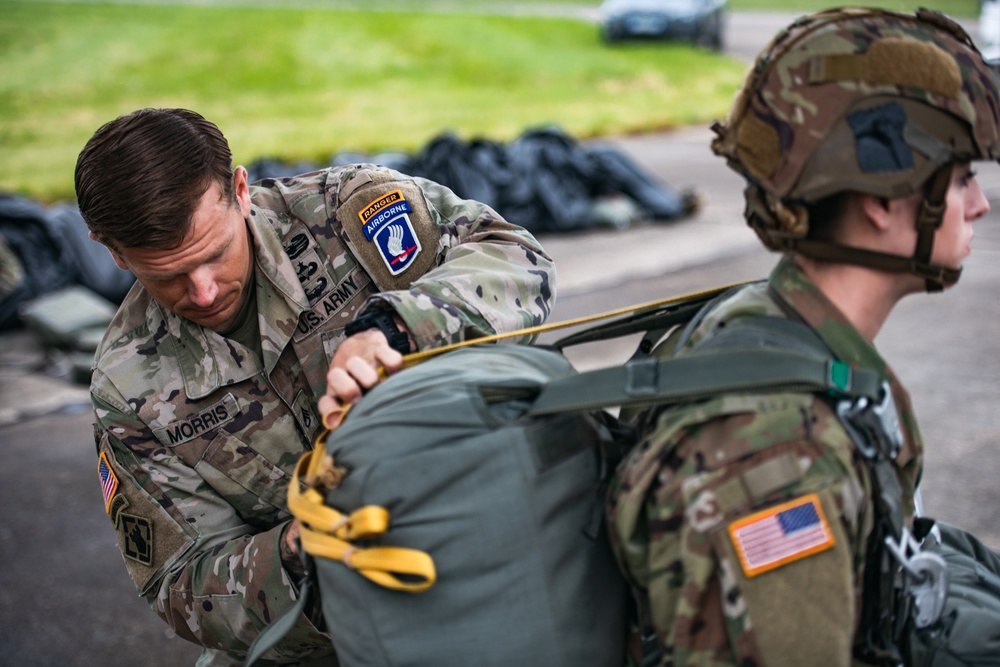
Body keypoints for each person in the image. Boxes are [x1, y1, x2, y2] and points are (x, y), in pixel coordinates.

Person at [75, 107, 556, 666]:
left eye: (213, 255)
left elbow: (517, 261)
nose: (202, 292)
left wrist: (400, 328)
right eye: (166, 276)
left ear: (240, 190)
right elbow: (181, 581)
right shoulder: (127, 385)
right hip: (329, 624)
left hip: (495, 520)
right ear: (111, 252)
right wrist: (301, 555)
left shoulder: (348, 216)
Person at [606, 7, 1000, 667]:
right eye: (961, 179)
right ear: (883, 198)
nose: (980, 204)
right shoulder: (775, 460)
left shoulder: (777, 328)